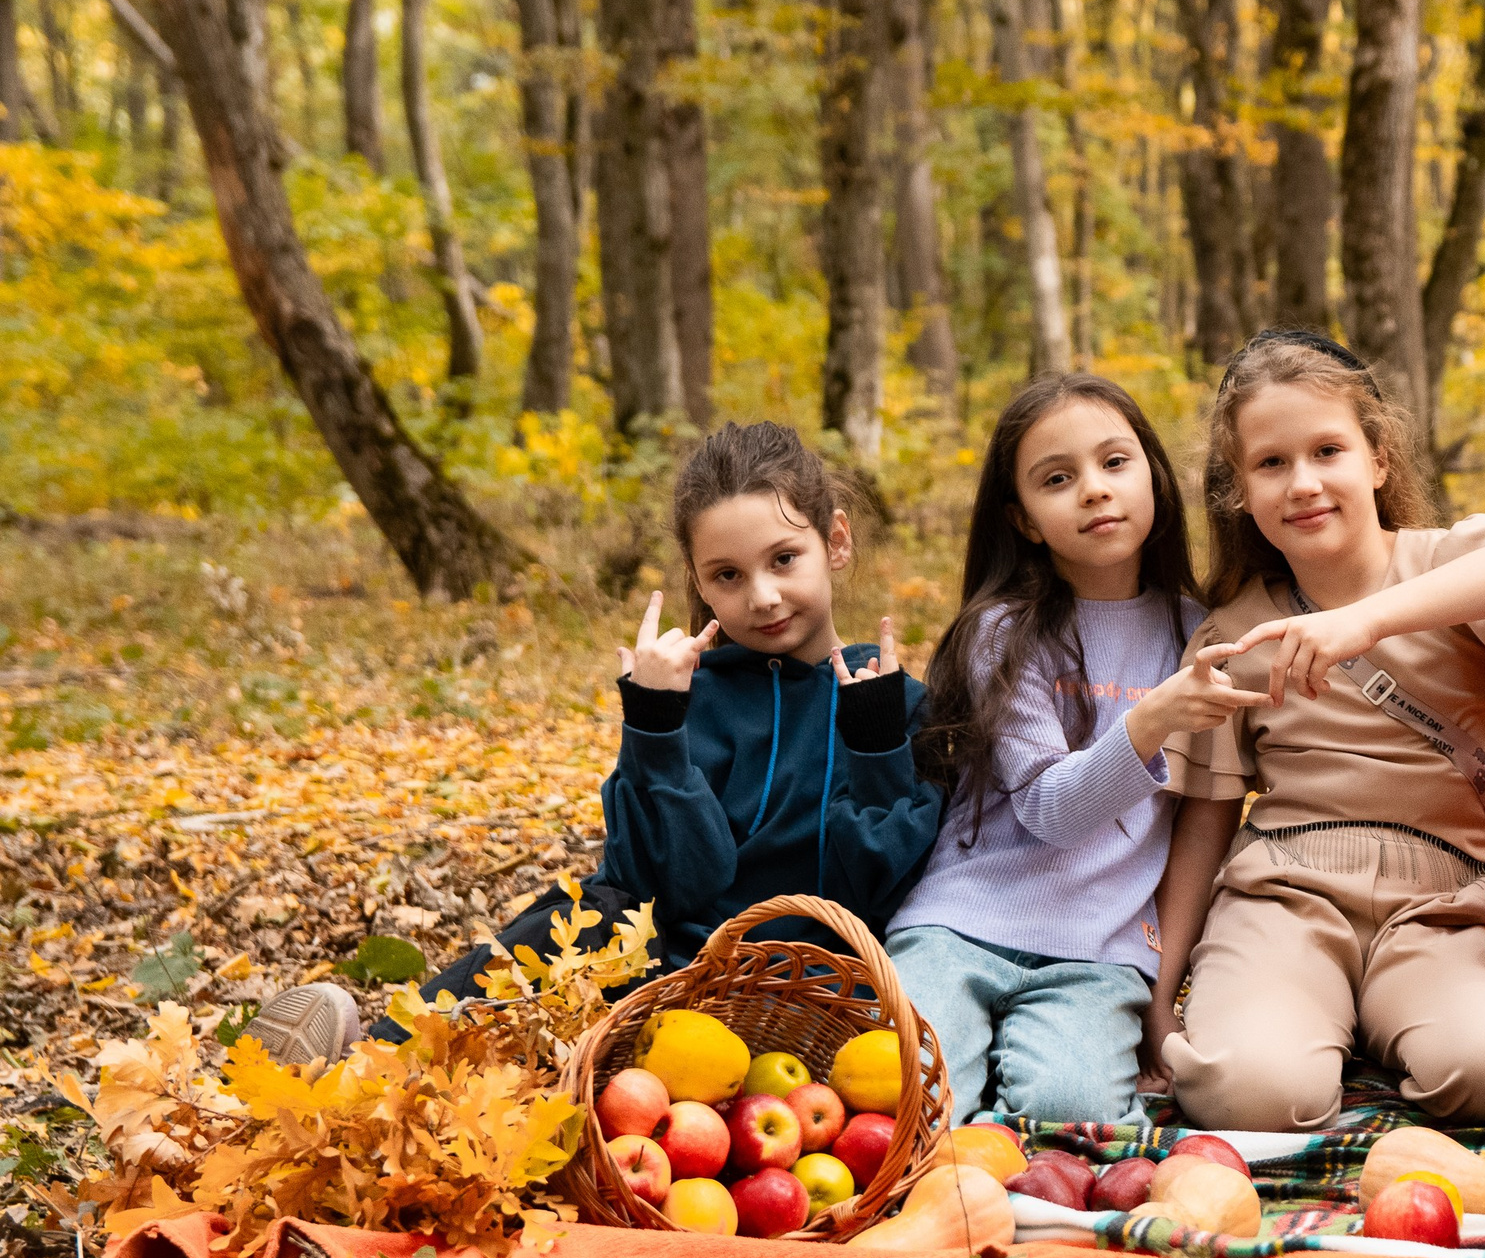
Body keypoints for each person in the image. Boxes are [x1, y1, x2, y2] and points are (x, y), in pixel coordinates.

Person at [245, 421, 944, 1065]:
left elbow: (878, 889)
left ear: (837, 542)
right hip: (667, 979)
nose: (761, 596)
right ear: (697, 580)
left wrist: (877, 745)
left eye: (784, 559)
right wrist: (657, 725)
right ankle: (375, 1057)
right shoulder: (690, 695)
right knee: (590, 914)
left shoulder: (893, 703)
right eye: (727, 575)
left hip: (810, 999)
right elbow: (658, 883)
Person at [1143, 330, 1485, 1131]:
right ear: (1240, 490)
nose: (1303, 483)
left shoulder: (1452, 569)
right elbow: (1204, 820)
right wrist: (1158, 994)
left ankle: (1384, 1019)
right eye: (1271, 463)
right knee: (1248, 1092)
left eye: (1327, 450)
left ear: (1377, 460)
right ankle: (1310, 1021)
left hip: (1448, 901)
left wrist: (1363, 622)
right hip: (1287, 895)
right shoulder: (1231, 637)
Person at [888, 375, 1265, 1123]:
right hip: (961, 928)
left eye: (1114, 463)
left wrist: (1162, 987)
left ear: (1154, 477)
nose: (1094, 490)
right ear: (1023, 520)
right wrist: (1152, 717)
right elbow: (1050, 810)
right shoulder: (1003, 633)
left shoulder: (1197, 636)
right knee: (915, 1103)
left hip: (1099, 952)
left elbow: (1204, 817)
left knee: (1072, 1114)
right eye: (1058, 479)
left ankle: (997, 1131)